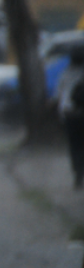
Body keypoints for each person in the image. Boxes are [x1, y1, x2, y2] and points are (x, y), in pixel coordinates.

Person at [55, 48, 84, 189]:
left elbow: (58, 95)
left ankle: (78, 172)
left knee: (74, 145)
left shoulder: (65, 74)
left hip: (69, 114)